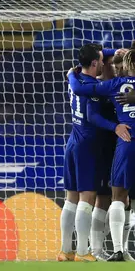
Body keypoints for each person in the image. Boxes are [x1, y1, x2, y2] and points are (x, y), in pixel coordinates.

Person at [68, 45, 135, 261]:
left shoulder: (114, 85)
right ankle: (114, 250)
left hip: (125, 142)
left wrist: (72, 74)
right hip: (113, 143)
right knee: (123, 200)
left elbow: (80, 89)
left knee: (117, 197)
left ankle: (117, 250)